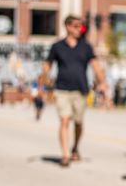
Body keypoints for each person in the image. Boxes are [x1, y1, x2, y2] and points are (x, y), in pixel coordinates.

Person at [43, 15, 108, 167]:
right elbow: (48, 65)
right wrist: (41, 84)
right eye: (76, 26)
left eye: (81, 26)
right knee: (64, 120)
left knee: (78, 122)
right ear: (67, 26)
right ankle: (65, 154)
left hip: (81, 89)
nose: (80, 29)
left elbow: (95, 66)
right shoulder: (57, 46)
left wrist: (102, 83)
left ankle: (75, 148)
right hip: (62, 89)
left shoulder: (86, 46)